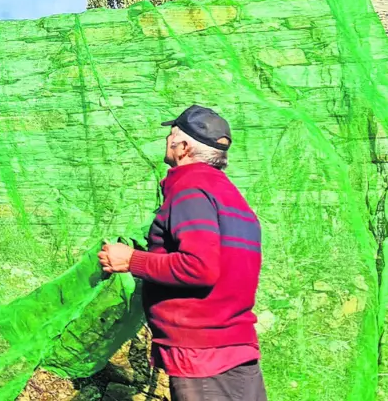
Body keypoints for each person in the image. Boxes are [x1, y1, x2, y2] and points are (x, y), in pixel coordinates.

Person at [98, 105, 266, 401]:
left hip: (203, 355)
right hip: (234, 346)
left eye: (171, 134)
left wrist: (130, 260)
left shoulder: (191, 189)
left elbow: (199, 267)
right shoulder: (229, 195)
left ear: (184, 147)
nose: (167, 140)